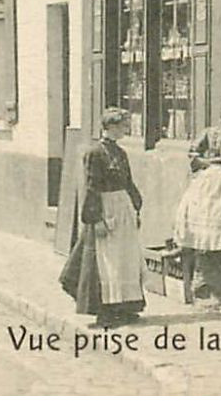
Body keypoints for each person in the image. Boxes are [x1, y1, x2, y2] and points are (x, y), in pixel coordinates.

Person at [60, 107, 145, 328]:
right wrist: (95, 219)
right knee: (107, 262)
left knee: (125, 259)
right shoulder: (94, 153)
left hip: (122, 208)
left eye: (125, 125)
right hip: (104, 209)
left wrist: (135, 206)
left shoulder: (121, 153)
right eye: (120, 126)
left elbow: (128, 182)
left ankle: (125, 307)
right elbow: (91, 186)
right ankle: (105, 312)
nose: (124, 130)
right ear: (109, 127)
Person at [172, 97, 221, 307]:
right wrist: (207, 162)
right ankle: (205, 289)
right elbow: (193, 154)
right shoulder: (210, 132)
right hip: (209, 185)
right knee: (206, 236)